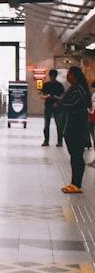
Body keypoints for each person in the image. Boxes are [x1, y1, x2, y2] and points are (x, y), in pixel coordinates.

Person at [59, 66, 91, 194]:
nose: (68, 76)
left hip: (77, 128)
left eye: (69, 74)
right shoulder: (75, 89)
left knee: (77, 156)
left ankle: (76, 184)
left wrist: (58, 103)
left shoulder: (78, 90)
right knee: (74, 155)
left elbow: (72, 105)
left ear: (75, 76)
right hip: (73, 127)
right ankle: (74, 183)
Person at [40, 68, 65, 146]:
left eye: (53, 76)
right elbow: (42, 95)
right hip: (48, 105)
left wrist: (57, 100)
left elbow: (62, 96)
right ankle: (46, 140)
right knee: (47, 124)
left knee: (59, 124)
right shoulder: (46, 85)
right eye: (51, 76)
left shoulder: (59, 85)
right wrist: (46, 96)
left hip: (57, 106)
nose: (52, 77)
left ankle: (60, 141)